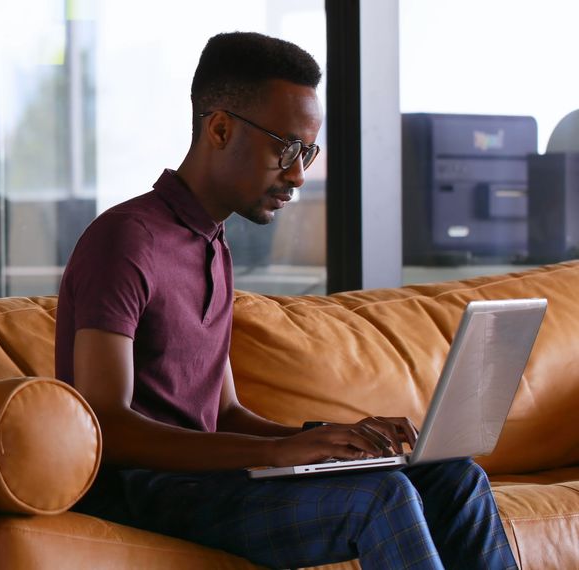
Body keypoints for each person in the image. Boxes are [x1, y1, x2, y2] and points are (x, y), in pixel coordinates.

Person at [55, 32, 517, 570]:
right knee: (382, 498)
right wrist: (276, 454)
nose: (298, 175)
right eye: (287, 148)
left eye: (308, 152)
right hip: (148, 492)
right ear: (221, 129)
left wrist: (328, 439)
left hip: (211, 482)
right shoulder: (127, 239)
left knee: (454, 475)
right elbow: (105, 423)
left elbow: (222, 412)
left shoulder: (212, 243)